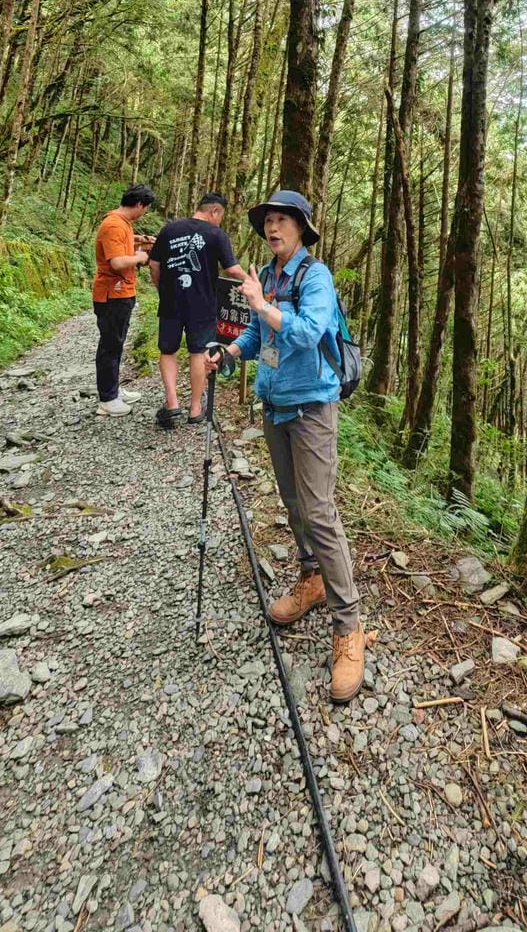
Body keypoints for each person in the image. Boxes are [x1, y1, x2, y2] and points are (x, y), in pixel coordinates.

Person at [209, 189, 364, 702]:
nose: (273, 228)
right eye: (268, 221)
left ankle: (349, 626)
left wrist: (260, 306)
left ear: (301, 228)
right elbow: (260, 336)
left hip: (313, 408)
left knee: (319, 511)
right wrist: (230, 351)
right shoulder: (269, 276)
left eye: (282, 221)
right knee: (294, 504)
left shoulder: (314, 277)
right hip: (275, 406)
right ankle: (310, 578)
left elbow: (306, 331)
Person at [148, 192, 245, 427]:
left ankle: (172, 404)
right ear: (215, 211)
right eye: (220, 216)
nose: (219, 220)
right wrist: (255, 284)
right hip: (202, 304)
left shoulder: (169, 229)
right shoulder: (216, 234)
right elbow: (232, 269)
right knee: (199, 352)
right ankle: (195, 408)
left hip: (171, 301)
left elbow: (154, 264)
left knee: (168, 350)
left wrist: (162, 288)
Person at [92, 183, 157, 417]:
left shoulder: (124, 224)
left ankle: (113, 389)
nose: (144, 213)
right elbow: (117, 262)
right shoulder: (113, 225)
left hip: (122, 292)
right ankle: (107, 399)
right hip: (112, 294)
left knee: (117, 343)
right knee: (110, 345)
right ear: (139, 204)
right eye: (145, 208)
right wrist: (140, 257)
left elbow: (123, 241)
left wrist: (139, 240)